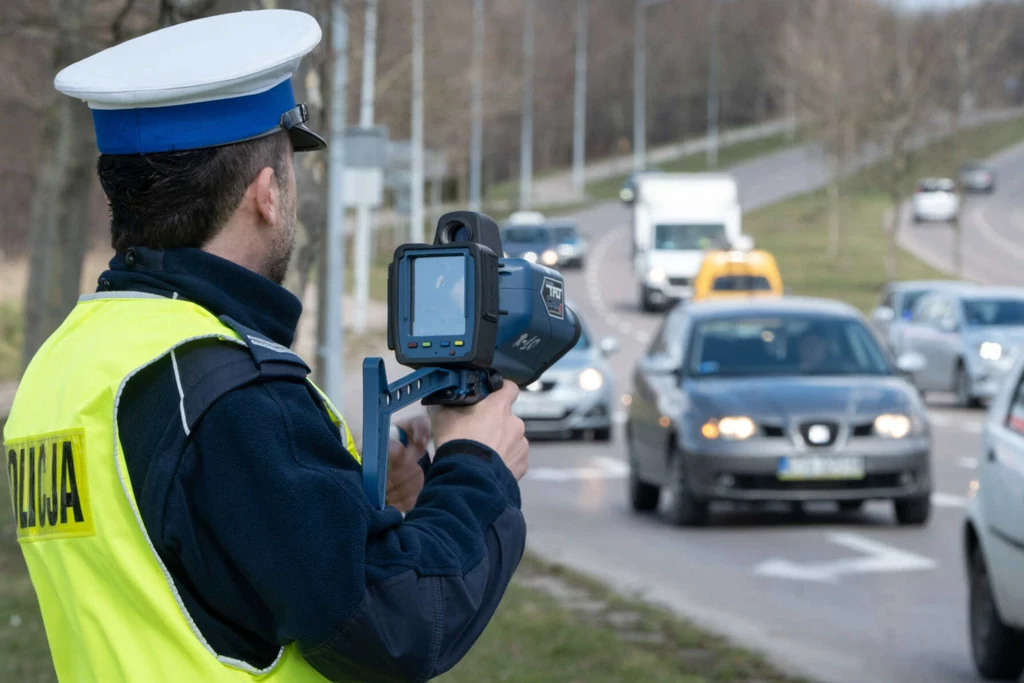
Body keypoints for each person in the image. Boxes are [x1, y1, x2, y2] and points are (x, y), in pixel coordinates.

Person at [3, 10, 528, 683]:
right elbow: (397, 625)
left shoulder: (63, 366)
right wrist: (477, 465)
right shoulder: (223, 389)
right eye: (290, 169)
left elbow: (197, 574)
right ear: (266, 193)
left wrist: (367, 510)